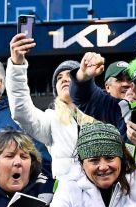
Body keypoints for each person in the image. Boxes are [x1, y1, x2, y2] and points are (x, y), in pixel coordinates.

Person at [6, 33, 95, 180]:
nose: (64, 79)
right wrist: (17, 65)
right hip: (67, 196)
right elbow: (21, 110)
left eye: (70, 75)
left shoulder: (101, 113)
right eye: (59, 78)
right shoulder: (52, 119)